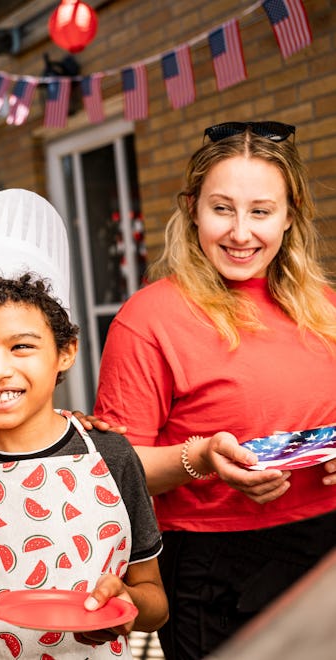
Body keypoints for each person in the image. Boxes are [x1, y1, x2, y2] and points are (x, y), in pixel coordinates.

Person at [94, 121, 336, 659]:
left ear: (290, 216)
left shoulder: (324, 308)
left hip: (327, 546)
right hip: (214, 562)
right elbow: (113, 470)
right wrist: (199, 458)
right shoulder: (148, 319)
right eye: (222, 208)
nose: (241, 232)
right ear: (192, 209)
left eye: (261, 211)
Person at [0, 189, 167, 660]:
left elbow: (155, 600)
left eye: (22, 346)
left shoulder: (111, 456)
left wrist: (128, 604)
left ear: (65, 352)